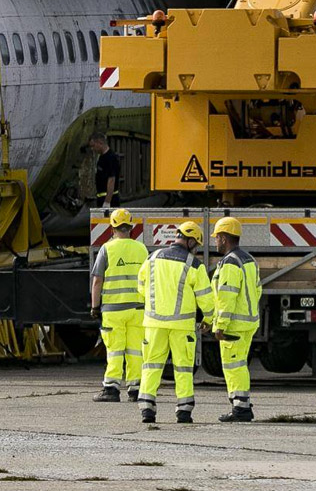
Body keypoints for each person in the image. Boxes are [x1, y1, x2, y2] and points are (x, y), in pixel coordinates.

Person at [136, 220, 213, 424]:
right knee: (183, 368)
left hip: (153, 324)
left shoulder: (152, 258)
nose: (195, 249)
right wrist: (209, 319)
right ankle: (184, 410)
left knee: (151, 365)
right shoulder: (194, 265)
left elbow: (141, 286)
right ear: (189, 242)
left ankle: (146, 408)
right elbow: (205, 297)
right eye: (195, 245)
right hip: (182, 327)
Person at [90, 208, 148, 402]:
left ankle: (111, 389)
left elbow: (97, 281)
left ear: (112, 228)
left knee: (115, 350)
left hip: (113, 310)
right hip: (138, 310)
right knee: (135, 350)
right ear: (130, 227)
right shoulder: (142, 249)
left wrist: (94, 307)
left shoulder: (106, 249)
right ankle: (136, 389)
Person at [210, 217, 263, 422]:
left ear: (224, 238)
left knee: (234, 366)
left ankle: (241, 408)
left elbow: (226, 296)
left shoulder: (231, 262)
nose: (216, 242)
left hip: (234, 325)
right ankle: (243, 405)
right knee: (239, 363)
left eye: (217, 238)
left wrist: (220, 325)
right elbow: (257, 289)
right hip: (248, 321)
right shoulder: (248, 259)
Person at [88, 133, 121, 208]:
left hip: (110, 199)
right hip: (101, 197)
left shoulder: (111, 158)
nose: (92, 149)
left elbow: (111, 180)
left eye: (93, 146)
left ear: (100, 143)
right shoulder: (102, 157)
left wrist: (107, 202)